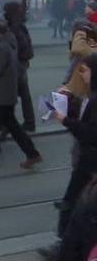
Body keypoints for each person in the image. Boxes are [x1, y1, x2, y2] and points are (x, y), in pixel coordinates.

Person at [0, 18, 42, 169]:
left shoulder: (1, 47)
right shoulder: (8, 42)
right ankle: (32, 154)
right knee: (13, 127)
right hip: (6, 93)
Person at [53, 53, 97, 237]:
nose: (82, 75)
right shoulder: (90, 94)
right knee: (77, 202)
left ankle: (64, 243)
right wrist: (68, 108)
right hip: (87, 160)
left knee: (72, 202)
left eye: (84, 71)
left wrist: (66, 121)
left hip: (91, 161)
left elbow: (89, 134)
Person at [4, 2, 36, 132]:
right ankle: (29, 122)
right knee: (23, 94)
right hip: (21, 64)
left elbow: (18, 46)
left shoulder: (15, 28)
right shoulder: (18, 25)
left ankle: (9, 126)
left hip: (17, 64)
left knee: (9, 95)